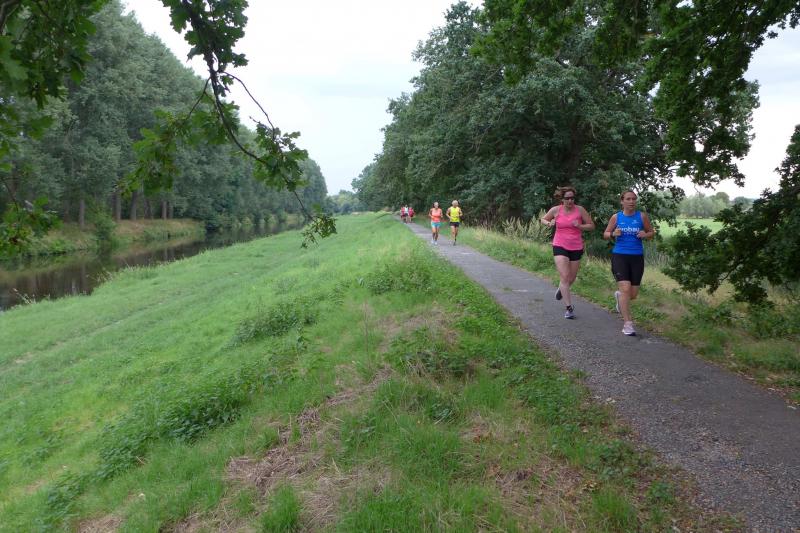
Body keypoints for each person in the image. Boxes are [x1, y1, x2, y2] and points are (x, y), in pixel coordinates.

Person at [603, 190, 655, 336]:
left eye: (633, 199)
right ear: (622, 201)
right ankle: (628, 324)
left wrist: (645, 234)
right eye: (628, 199)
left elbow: (651, 233)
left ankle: (619, 297)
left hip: (637, 257)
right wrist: (613, 234)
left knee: (632, 294)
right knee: (625, 289)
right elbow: (605, 234)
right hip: (620, 256)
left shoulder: (641, 216)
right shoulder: (616, 217)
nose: (631, 201)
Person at [540, 186, 595, 319]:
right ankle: (569, 308)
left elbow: (591, 226)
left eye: (572, 198)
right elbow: (543, 219)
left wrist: (580, 226)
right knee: (564, 276)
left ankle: (561, 289)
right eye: (567, 198)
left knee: (571, 278)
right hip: (560, 245)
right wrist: (549, 223)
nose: (570, 201)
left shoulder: (580, 210)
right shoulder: (556, 210)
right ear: (562, 199)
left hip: (576, 246)